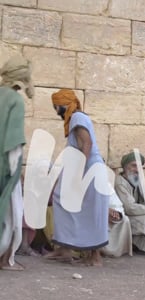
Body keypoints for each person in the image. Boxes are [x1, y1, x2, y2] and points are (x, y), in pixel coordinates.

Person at [46, 89, 109, 266]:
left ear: (61, 105)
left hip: (89, 170)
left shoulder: (76, 117)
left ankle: (94, 257)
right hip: (87, 168)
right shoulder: (77, 118)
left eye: (55, 107)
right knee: (62, 199)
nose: (56, 110)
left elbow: (86, 143)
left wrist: (79, 174)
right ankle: (64, 248)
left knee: (90, 211)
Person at [0, 55, 33, 271]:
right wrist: (15, 171)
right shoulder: (15, 100)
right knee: (11, 212)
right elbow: (13, 143)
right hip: (5, 166)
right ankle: (5, 259)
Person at [114, 152, 145, 254]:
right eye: (133, 166)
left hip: (137, 213)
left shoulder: (137, 179)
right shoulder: (120, 182)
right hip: (125, 216)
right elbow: (130, 208)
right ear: (125, 167)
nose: (137, 170)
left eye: (139, 167)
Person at [101, 189, 133, 257]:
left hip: (111, 218)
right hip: (97, 217)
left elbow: (118, 205)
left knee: (125, 220)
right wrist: (105, 210)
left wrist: (117, 213)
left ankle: (120, 250)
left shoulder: (107, 186)